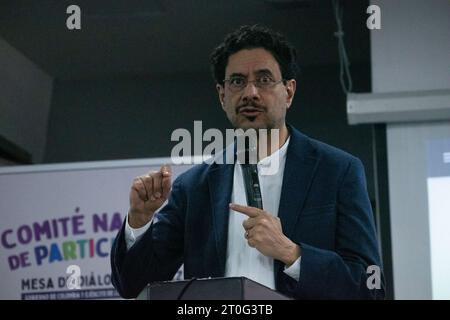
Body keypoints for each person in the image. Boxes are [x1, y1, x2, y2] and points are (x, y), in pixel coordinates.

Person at [111, 25, 384, 299]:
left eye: (264, 79)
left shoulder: (337, 171)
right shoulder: (193, 188)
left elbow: (370, 286)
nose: (250, 92)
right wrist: (140, 219)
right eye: (237, 81)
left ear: (289, 92)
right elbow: (133, 285)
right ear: (222, 96)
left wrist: (291, 253)